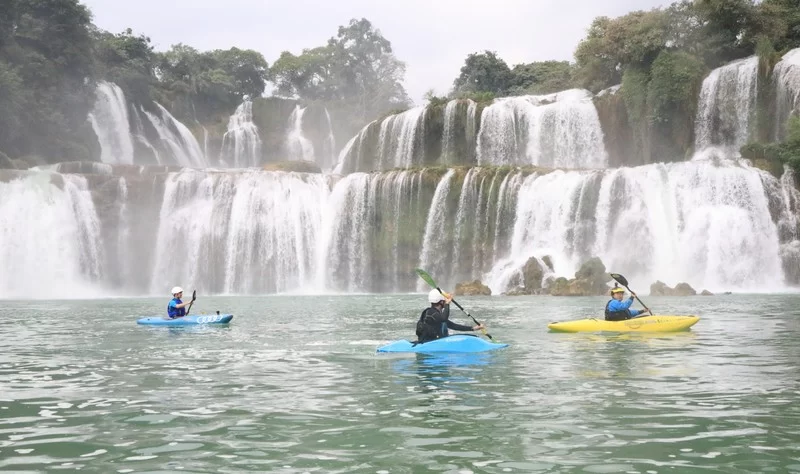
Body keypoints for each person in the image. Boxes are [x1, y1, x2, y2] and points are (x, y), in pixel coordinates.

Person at [416, 289, 485, 342]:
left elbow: (454, 326)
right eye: (444, 301)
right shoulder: (430, 313)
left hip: (435, 341)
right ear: (441, 302)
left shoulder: (437, 315)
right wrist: (447, 304)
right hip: (427, 342)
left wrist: (473, 328)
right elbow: (444, 318)